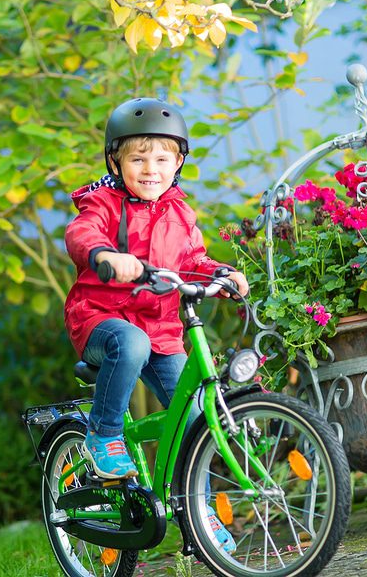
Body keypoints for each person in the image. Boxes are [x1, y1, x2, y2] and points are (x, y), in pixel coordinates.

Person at [63, 98, 249, 552]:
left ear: (178, 162)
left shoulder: (181, 213)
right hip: (102, 320)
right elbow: (81, 233)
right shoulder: (103, 202)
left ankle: (198, 517)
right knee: (131, 344)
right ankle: (103, 436)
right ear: (117, 161)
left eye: (163, 158)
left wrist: (220, 273)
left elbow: (194, 260)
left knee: (192, 422)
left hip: (163, 328)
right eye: (138, 158)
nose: (151, 168)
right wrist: (106, 256)